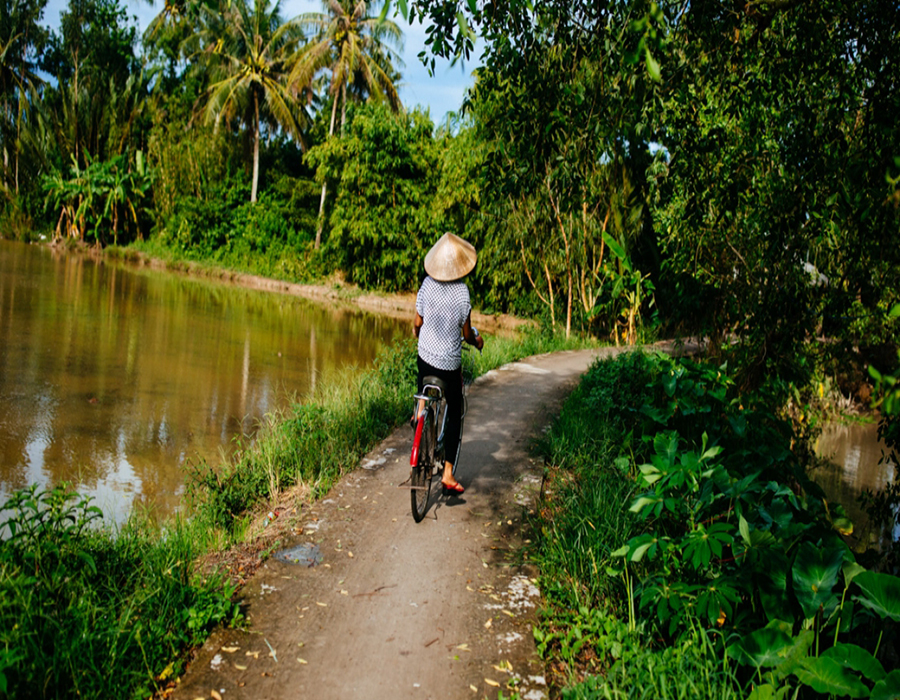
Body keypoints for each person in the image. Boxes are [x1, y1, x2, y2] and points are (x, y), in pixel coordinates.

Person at [414, 232, 484, 494]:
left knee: (422, 365)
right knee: (455, 409)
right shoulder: (462, 294)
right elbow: (466, 334)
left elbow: (418, 323)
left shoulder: (426, 285)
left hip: (426, 361)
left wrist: (417, 332)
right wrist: (476, 341)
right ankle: (448, 473)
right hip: (449, 366)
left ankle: (419, 411)